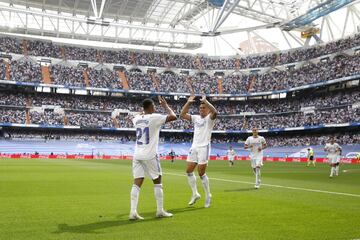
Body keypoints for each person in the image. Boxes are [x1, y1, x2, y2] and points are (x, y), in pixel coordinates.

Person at [129, 97, 177, 220]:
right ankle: (160, 211)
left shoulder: (137, 119)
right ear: (151, 107)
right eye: (154, 106)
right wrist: (165, 106)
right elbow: (173, 116)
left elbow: (135, 117)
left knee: (137, 182)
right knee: (158, 182)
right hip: (150, 155)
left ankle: (133, 211)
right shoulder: (155, 117)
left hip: (137, 154)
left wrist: (142, 112)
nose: (155, 108)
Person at [180, 95, 217, 208]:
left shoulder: (210, 119)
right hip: (194, 147)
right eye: (200, 108)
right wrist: (188, 102)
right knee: (189, 171)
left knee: (201, 173)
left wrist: (206, 101)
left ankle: (208, 195)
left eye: (204, 108)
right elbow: (182, 115)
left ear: (208, 110)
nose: (201, 109)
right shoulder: (196, 118)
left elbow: (215, 112)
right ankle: (195, 193)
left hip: (204, 147)